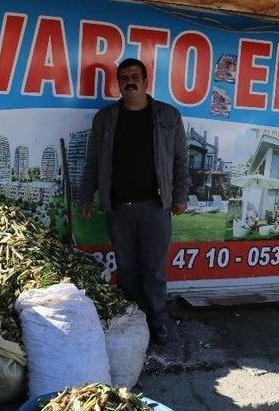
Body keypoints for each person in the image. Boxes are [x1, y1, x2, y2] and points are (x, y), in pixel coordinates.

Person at [79, 58, 190, 345]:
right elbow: (93, 162)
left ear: (145, 81)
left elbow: (180, 161)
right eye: (124, 77)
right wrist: (86, 197)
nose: (130, 81)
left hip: (155, 208)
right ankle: (131, 323)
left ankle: (157, 322)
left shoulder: (168, 116)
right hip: (118, 209)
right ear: (118, 83)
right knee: (126, 271)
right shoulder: (104, 118)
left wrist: (180, 196)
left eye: (135, 76)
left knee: (153, 270)